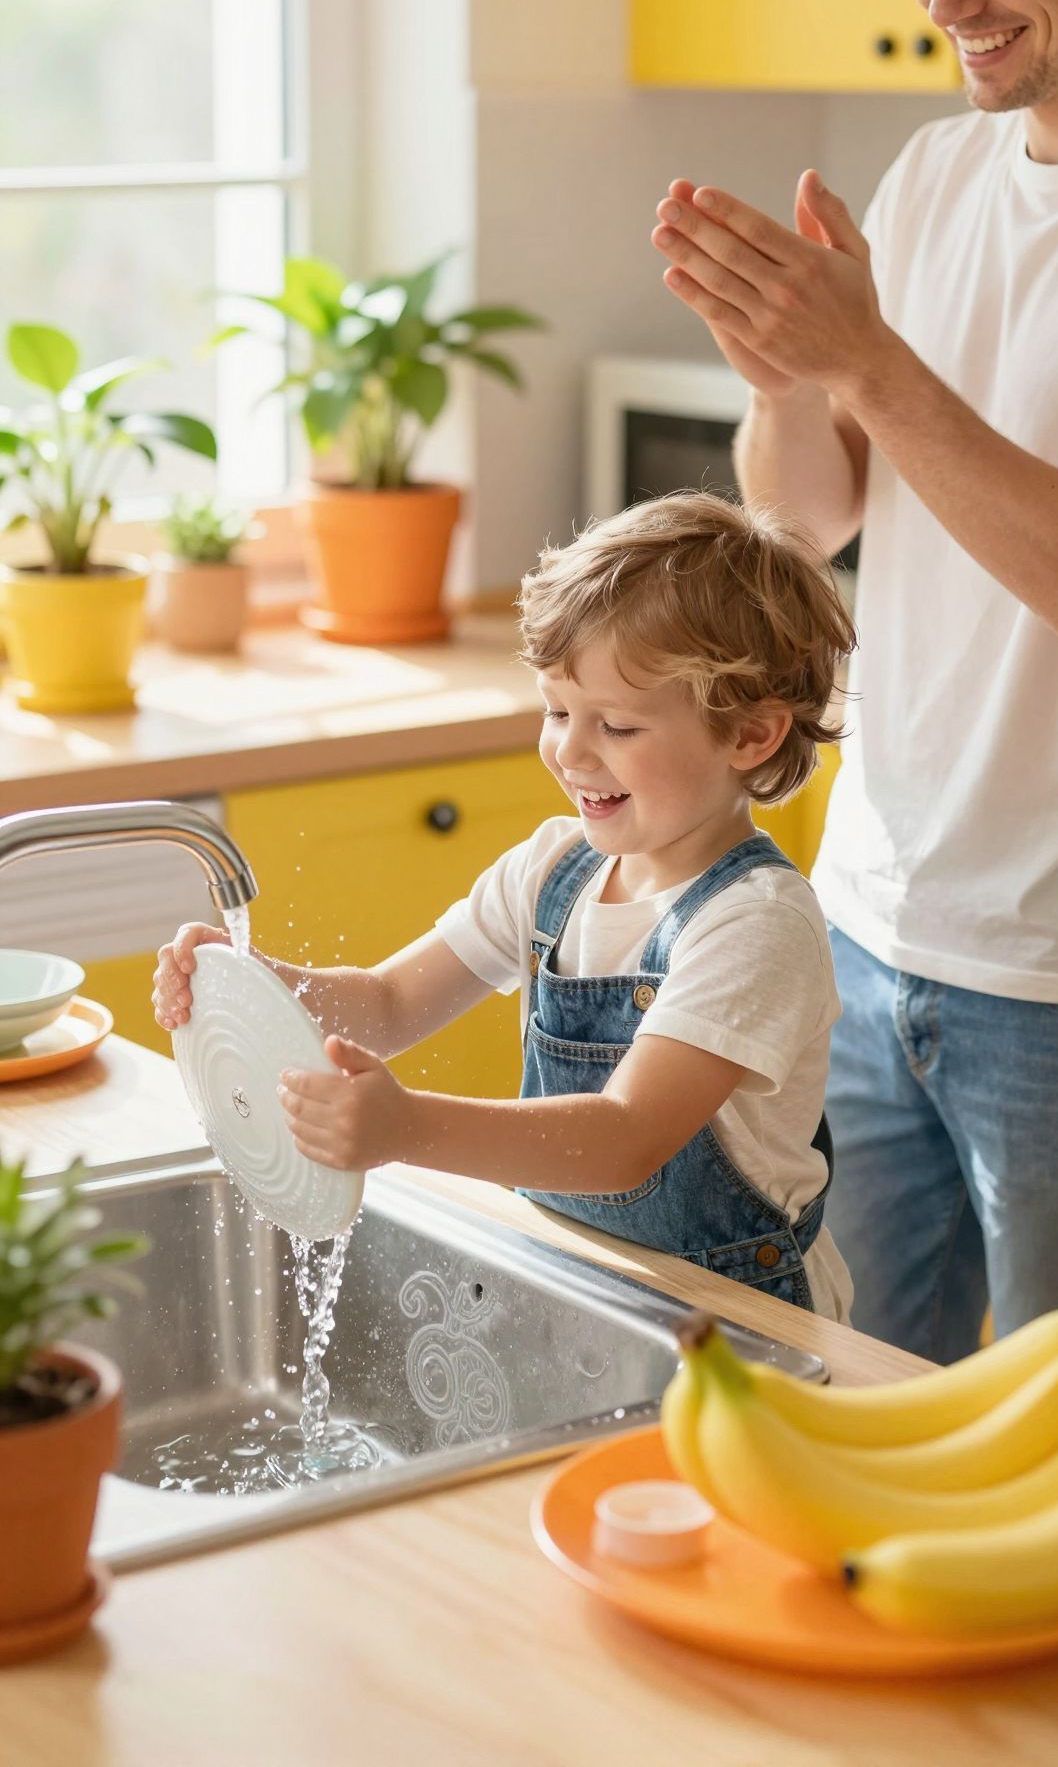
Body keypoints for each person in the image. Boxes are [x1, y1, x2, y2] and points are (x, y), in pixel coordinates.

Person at [649, 0, 1058, 1362]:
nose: (945, 4)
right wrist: (786, 374)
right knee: (859, 1403)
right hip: (866, 932)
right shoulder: (937, 173)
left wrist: (864, 355)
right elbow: (810, 511)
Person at [154, 492, 857, 1320]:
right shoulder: (552, 868)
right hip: (584, 1282)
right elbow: (387, 1004)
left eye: (618, 726)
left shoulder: (755, 923)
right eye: (557, 710)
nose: (568, 748)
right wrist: (253, 984)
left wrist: (405, 1127)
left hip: (741, 1318)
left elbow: (625, 1137)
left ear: (750, 736)